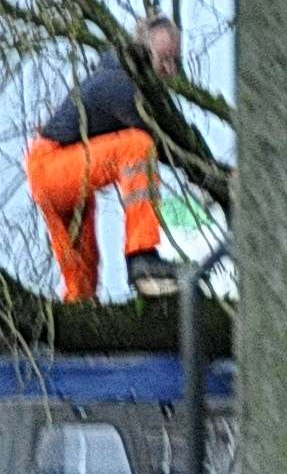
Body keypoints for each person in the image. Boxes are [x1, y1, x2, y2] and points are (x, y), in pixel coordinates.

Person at [27, 16, 180, 303]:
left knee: (82, 286)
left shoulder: (122, 80)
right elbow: (172, 145)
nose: (171, 69)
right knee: (138, 145)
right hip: (52, 167)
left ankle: (74, 326)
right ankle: (142, 258)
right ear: (144, 54)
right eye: (165, 59)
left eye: (176, 61)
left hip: (61, 177)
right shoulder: (120, 84)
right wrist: (214, 171)